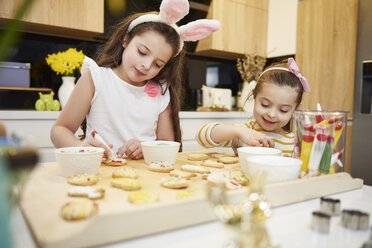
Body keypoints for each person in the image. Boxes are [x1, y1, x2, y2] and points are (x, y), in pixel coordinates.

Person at [51, 0, 219, 159]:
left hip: (145, 179)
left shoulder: (161, 92)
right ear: (126, 39)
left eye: (157, 64)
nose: (146, 65)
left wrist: (147, 148)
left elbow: (167, 146)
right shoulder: (96, 78)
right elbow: (60, 130)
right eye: (142, 52)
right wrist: (83, 150)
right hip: (98, 176)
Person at [195, 58, 310, 157]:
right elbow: (201, 136)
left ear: (295, 109)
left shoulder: (296, 142)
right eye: (265, 104)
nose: (272, 114)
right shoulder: (245, 132)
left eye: (283, 110)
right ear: (254, 97)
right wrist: (238, 131)